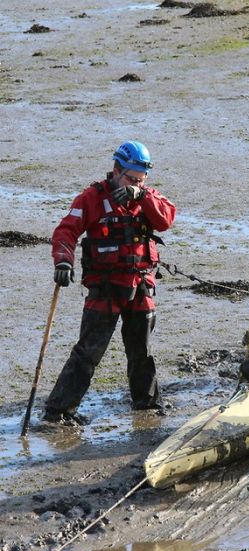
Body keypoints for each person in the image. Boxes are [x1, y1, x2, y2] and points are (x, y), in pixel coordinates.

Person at [44, 141, 176, 425]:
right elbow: (66, 231)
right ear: (116, 170)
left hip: (140, 286)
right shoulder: (91, 198)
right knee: (88, 353)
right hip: (105, 288)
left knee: (142, 351)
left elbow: (165, 219)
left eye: (141, 180)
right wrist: (63, 261)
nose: (135, 185)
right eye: (131, 179)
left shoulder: (147, 198)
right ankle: (57, 411)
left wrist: (140, 195)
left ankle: (147, 405)